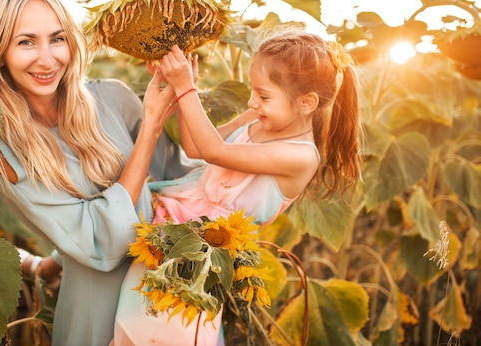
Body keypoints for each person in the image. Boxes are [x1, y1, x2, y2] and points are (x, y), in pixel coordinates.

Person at [0, 0, 198, 346]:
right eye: (26, 42)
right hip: (98, 315)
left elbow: (180, 179)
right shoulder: (4, 150)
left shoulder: (112, 97)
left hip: (172, 300)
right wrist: (150, 127)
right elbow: (101, 243)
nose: (47, 59)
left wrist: (196, 99)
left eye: (57, 39)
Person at [112, 29, 362, 345]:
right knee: (135, 327)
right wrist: (181, 87)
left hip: (203, 253)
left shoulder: (300, 156)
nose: (251, 101)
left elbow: (216, 151)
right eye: (253, 91)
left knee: (169, 333)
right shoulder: (257, 118)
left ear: (307, 102)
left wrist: (187, 89)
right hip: (173, 225)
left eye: (264, 95)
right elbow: (195, 147)